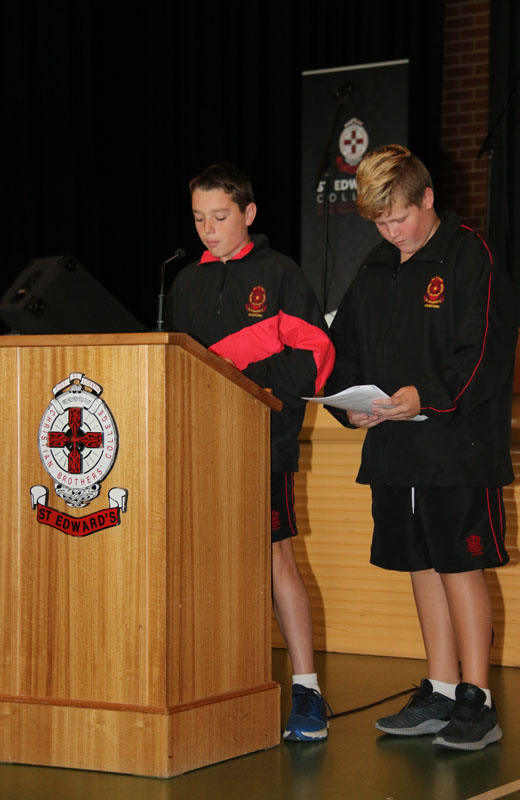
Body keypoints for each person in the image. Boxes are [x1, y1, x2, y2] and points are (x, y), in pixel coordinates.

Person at [324, 144, 517, 751]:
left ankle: (478, 700)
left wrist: (425, 396)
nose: (392, 233)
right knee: (421, 563)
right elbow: (343, 348)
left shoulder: (469, 255)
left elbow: (484, 354)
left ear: (428, 198)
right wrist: (347, 405)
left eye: (400, 218)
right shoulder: (375, 267)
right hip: (394, 450)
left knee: (459, 565)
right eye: (380, 223)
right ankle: (440, 688)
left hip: (456, 448)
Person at [166, 162, 336, 742]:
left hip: (263, 441)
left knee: (274, 557)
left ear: (249, 214)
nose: (208, 230)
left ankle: (307, 689)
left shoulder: (279, 274)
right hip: (197, 446)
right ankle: (218, 682)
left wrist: (247, 378)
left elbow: (313, 355)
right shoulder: (184, 283)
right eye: (198, 219)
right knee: (205, 562)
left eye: (220, 217)